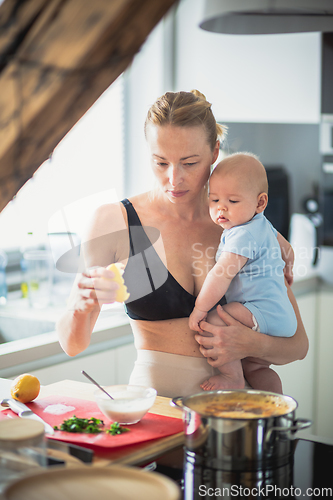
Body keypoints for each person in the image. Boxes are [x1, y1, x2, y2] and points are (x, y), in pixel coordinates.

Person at [56, 90, 308, 398]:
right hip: (157, 410)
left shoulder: (242, 223)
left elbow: (298, 346)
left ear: (215, 152)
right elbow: (72, 344)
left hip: (236, 413)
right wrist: (82, 305)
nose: (174, 179)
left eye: (189, 163)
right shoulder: (115, 221)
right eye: (161, 162)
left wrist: (252, 344)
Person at [189, 153, 297, 393]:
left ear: (260, 202)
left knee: (216, 320)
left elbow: (221, 274)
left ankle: (231, 377)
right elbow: (287, 249)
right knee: (257, 367)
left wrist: (200, 309)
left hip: (260, 310)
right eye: (214, 199)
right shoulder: (263, 224)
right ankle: (276, 404)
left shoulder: (242, 234)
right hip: (280, 315)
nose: (221, 208)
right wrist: (287, 271)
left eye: (233, 201)